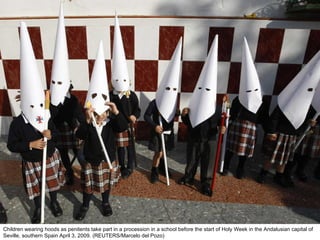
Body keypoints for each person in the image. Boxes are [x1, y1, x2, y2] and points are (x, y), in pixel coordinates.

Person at [7, 112, 65, 224]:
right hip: (31, 161)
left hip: (49, 156)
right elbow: (11, 145)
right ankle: (38, 207)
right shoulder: (17, 123)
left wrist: (51, 135)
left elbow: (57, 134)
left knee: (52, 182)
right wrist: (29, 145)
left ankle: (54, 201)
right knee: (36, 187)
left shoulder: (45, 116)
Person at [74, 101, 128, 220]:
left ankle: (105, 202)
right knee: (88, 186)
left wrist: (116, 111)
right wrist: (87, 120)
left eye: (104, 113)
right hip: (91, 160)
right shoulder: (88, 124)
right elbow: (80, 135)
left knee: (106, 184)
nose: (101, 116)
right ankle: (85, 205)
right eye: (97, 114)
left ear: (108, 113)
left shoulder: (110, 124)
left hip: (107, 160)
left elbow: (123, 126)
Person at [256, 105, 314, 187]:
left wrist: (310, 124)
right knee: (271, 156)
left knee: (284, 159)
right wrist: (272, 131)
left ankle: (278, 176)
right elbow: (275, 117)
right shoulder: (285, 101)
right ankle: (263, 174)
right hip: (279, 132)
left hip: (293, 135)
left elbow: (306, 121)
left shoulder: (307, 106)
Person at [178, 105, 225, 196]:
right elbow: (187, 122)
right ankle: (188, 176)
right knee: (192, 158)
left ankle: (206, 182)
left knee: (208, 161)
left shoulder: (218, 109)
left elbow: (221, 123)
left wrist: (223, 127)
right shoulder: (194, 106)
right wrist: (184, 116)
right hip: (194, 137)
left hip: (210, 138)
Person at [222, 96, 268, 179]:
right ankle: (225, 166)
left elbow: (263, 117)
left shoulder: (260, 101)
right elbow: (233, 111)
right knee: (230, 148)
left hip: (251, 126)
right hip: (238, 123)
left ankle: (240, 168)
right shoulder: (240, 97)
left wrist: (269, 130)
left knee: (245, 150)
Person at [51, 84, 85, 185]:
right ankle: (70, 174)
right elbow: (53, 116)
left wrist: (83, 126)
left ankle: (86, 172)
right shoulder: (54, 101)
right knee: (63, 154)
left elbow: (79, 114)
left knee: (79, 153)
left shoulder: (73, 99)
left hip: (73, 129)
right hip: (60, 130)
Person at [144, 99, 177, 183]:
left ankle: (162, 167)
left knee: (165, 152)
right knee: (158, 152)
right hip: (157, 131)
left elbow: (175, 115)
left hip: (168, 131)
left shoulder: (172, 100)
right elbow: (146, 116)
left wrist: (177, 111)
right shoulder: (155, 102)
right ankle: (154, 171)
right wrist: (155, 126)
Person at [110, 89, 141, 178]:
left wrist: (135, 115)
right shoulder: (111, 95)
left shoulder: (131, 95)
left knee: (130, 146)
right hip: (118, 125)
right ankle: (122, 167)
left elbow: (137, 109)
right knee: (120, 147)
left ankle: (130, 166)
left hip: (129, 124)